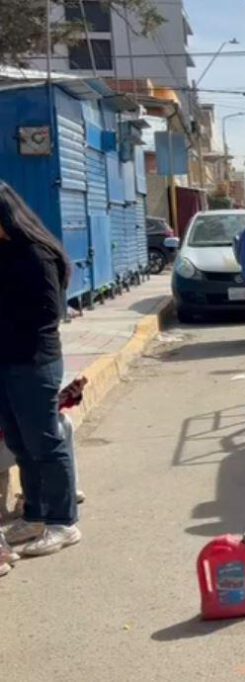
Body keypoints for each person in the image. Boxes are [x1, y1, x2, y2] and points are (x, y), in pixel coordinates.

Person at [0, 181, 80, 556]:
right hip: (6, 362)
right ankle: (34, 515)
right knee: (20, 444)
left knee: (45, 444)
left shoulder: (36, 254)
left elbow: (47, 313)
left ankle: (63, 523)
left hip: (33, 362)